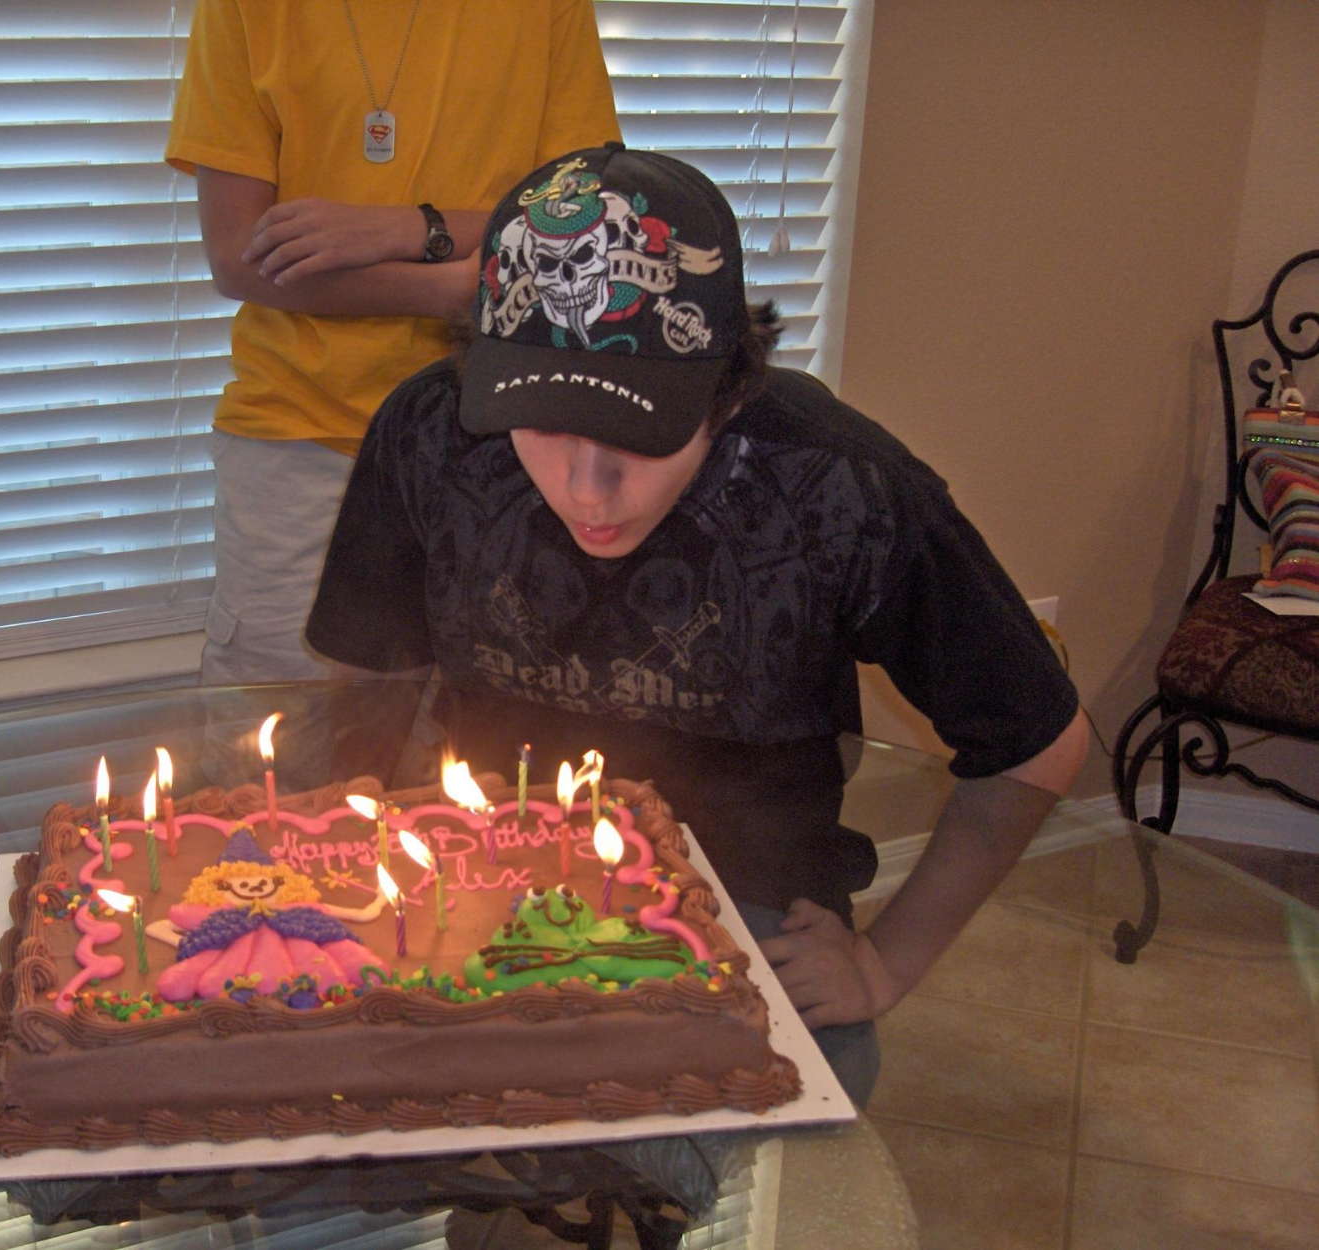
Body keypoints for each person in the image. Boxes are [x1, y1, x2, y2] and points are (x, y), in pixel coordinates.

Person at [303, 143, 1091, 1104]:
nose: (586, 488)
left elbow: (1037, 742)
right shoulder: (431, 434)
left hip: (746, 908)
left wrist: (886, 964)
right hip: (488, 880)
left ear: (732, 388)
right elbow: (372, 674)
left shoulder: (841, 485)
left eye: (638, 435)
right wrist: (345, 864)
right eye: (544, 425)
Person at [164, 0, 621, 686]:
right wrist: (451, 290)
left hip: (499, 441)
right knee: (287, 737)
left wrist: (409, 229)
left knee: (472, 735)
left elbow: (586, 218)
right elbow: (237, 256)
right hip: (302, 443)